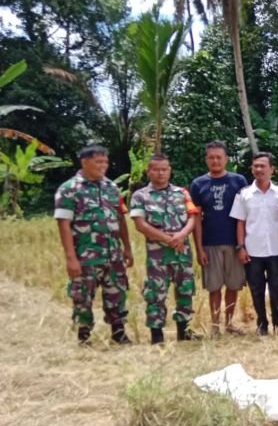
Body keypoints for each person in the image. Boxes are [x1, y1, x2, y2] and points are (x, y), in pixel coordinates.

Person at [54, 145, 133, 345]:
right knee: (83, 295)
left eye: (105, 162)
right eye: (98, 162)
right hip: (85, 255)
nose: (103, 166)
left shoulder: (111, 188)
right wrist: (71, 258)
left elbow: (120, 219)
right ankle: (84, 335)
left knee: (117, 292)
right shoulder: (69, 189)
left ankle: (119, 332)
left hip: (112, 254)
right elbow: (64, 224)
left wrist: (127, 248)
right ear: (85, 162)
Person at [130, 154, 202, 344]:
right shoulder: (140, 196)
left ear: (169, 170)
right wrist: (167, 239)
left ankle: (184, 331)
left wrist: (181, 235)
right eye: (156, 169)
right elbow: (140, 224)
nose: (161, 173)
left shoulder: (182, 193)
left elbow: (193, 217)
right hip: (157, 256)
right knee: (156, 294)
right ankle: (157, 334)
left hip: (182, 253)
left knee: (185, 291)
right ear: (149, 171)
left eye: (164, 169)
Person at [190, 140, 249, 336]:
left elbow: (246, 213)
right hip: (210, 242)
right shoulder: (198, 184)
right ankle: (215, 326)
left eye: (219, 157)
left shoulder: (238, 181)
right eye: (211, 158)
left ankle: (229, 323)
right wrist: (199, 248)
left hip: (234, 242)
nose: (215, 161)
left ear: (226, 159)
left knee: (233, 285)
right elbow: (196, 218)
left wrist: (244, 244)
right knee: (214, 286)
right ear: (206, 160)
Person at [230, 152, 278, 335]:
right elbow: (240, 222)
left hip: (276, 249)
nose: (259, 169)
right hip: (252, 250)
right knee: (257, 290)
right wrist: (240, 247)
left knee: (276, 288)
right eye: (256, 166)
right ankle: (262, 323)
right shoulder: (244, 194)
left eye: (263, 166)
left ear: (272, 169)